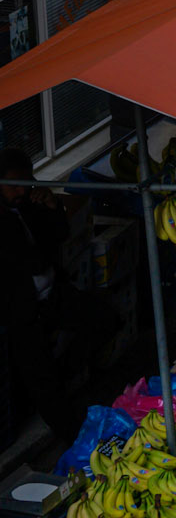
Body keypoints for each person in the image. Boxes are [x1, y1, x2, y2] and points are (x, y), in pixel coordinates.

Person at [0, 148, 116, 446]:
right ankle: (77, 441)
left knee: (105, 319)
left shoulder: (30, 204)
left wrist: (52, 205)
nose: (19, 191)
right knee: (44, 388)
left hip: (53, 294)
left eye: (25, 184)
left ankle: (68, 375)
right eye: (12, 185)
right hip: (21, 310)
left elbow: (60, 233)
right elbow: (29, 261)